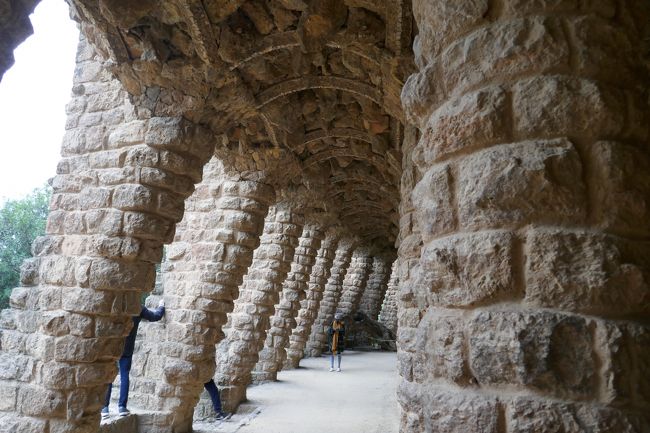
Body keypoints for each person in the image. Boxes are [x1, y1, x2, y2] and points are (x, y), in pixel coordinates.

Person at [101, 299, 165, 419]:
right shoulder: (138, 308)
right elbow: (155, 316)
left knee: (108, 375)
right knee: (125, 374)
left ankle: (105, 408)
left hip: (113, 345)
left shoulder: (118, 303)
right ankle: (122, 407)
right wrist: (161, 306)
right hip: (127, 348)